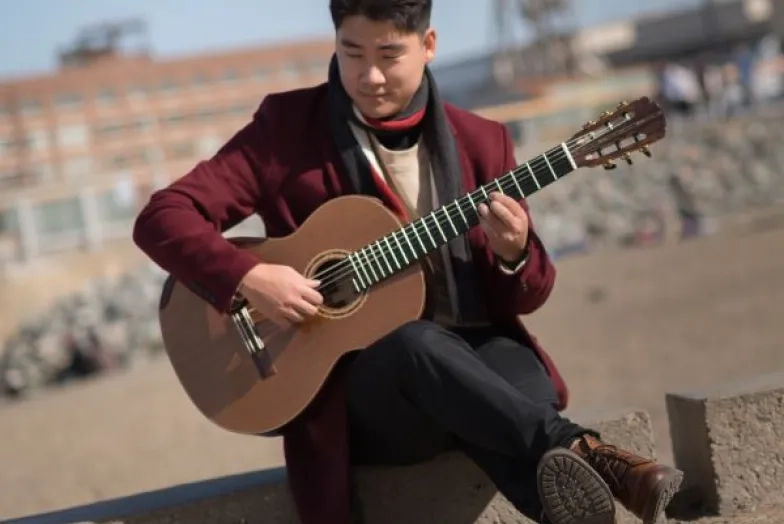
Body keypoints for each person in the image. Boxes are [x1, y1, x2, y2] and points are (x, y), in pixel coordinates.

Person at [132, 1, 683, 523]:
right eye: (352, 53)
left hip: (475, 355)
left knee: (524, 384)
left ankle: (569, 502)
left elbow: (526, 295)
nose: (369, 76)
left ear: (429, 45)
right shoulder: (286, 131)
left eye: (388, 55)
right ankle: (591, 452)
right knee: (416, 346)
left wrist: (515, 252)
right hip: (368, 396)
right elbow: (163, 217)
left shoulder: (481, 142)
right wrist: (249, 277)